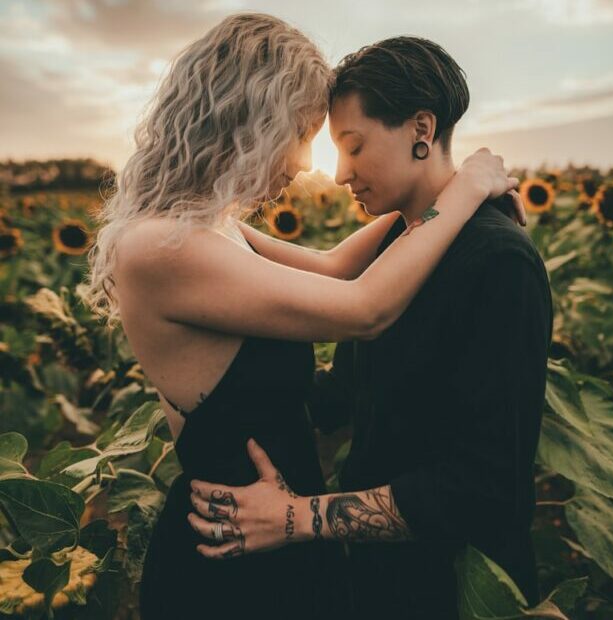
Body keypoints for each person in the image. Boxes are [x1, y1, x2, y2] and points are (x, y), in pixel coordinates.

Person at [85, 13, 522, 619]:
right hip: (232, 555)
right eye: (298, 131)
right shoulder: (161, 248)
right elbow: (364, 307)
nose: (300, 164)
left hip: (281, 532)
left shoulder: (211, 229)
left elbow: (336, 266)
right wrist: (463, 191)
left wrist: (424, 194)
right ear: (250, 121)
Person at [185, 37, 552, 620]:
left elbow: (486, 489)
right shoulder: (396, 245)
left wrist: (296, 517)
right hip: (381, 582)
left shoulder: (497, 259)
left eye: (353, 147)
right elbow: (350, 394)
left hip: (459, 589)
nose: (338, 174)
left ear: (420, 129)